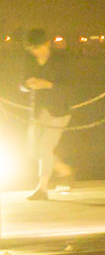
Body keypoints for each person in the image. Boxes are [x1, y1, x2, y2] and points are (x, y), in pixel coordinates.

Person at [18, 30, 76, 199]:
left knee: (44, 148)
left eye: (38, 47)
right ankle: (65, 170)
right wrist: (26, 84)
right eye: (32, 49)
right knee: (31, 149)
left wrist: (48, 85)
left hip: (59, 110)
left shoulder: (61, 59)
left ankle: (42, 189)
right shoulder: (29, 60)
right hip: (37, 110)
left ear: (47, 43)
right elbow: (21, 83)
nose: (36, 52)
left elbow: (70, 85)